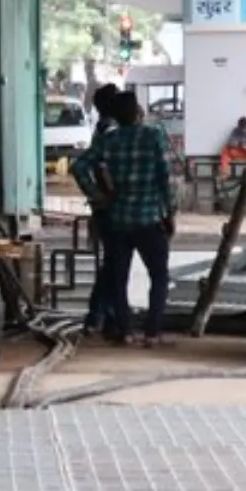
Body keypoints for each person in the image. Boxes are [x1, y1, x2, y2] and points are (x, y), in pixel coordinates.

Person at [74, 89, 177, 346]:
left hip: (118, 219)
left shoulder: (109, 140)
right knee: (159, 276)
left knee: (118, 277)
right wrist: (170, 211)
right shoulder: (154, 135)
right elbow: (166, 177)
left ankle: (127, 330)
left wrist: (98, 196)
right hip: (150, 217)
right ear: (137, 111)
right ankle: (152, 332)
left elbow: (79, 167)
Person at [79, 84, 123, 334]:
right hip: (111, 208)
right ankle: (99, 315)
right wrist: (103, 195)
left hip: (105, 206)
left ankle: (107, 316)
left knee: (113, 262)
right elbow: (97, 168)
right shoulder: (110, 131)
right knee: (115, 264)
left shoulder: (103, 128)